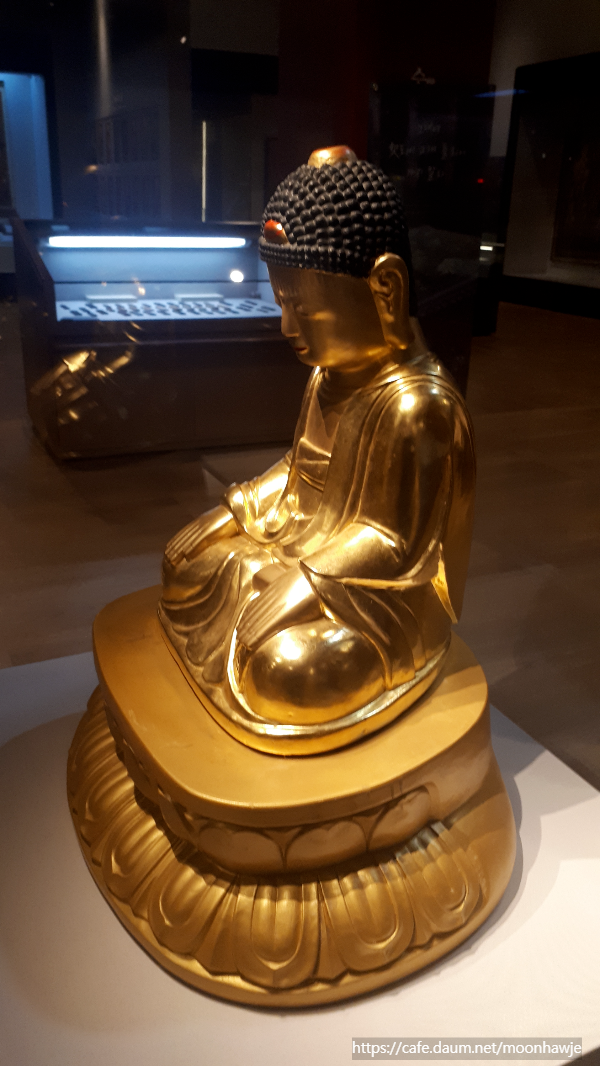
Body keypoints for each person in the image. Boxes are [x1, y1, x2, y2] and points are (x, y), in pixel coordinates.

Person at [159, 147, 475, 752]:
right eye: (282, 304)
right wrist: (233, 512)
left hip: (376, 597)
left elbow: (391, 543)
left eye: (304, 309)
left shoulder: (418, 406)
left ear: (385, 289)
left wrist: (305, 582)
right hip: (298, 545)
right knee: (184, 570)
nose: (286, 328)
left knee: (289, 673)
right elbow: (298, 472)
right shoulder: (326, 378)